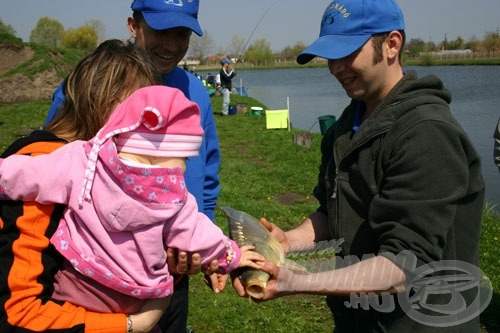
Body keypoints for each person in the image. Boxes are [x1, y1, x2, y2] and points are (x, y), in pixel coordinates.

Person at [234, 0, 485, 332]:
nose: (336, 67)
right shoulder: (349, 122)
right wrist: (288, 241)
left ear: (392, 45)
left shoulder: (427, 132)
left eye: (346, 52)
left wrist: (296, 281)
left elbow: (404, 263)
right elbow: (334, 211)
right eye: (330, 57)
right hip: (358, 317)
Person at [0, 85, 264, 318]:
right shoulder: (175, 198)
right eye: (184, 157)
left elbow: (27, 174)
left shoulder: (84, 160)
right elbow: (200, 238)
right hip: (135, 297)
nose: (184, 166)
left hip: (77, 284)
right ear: (161, 154)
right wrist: (232, 256)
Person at [45, 1, 224, 331]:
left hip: (170, 274)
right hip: (95, 275)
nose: (171, 45)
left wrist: (200, 241)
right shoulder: (96, 85)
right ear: (133, 25)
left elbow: (207, 175)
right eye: (160, 31)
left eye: (181, 33)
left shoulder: (195, 92)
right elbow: (52, 162)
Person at [0, 39, 174, 333]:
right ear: (99, 102)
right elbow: (16, 314)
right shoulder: (39, 173)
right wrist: (131, 325)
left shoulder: (101, 166)